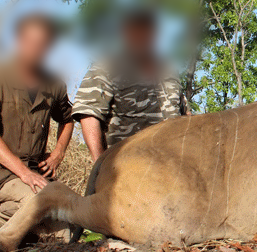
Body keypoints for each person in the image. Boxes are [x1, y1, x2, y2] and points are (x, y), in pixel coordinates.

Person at [0, 13, 74, 233]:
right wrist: (24, 173)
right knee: (41, 206)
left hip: (35, 173)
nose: (36, 49)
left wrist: (58, 153)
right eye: (31, 42)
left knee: (71, 225)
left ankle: (7, 222)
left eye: (43, 44)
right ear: (19, 40)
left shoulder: (54, 84)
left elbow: (68, 118)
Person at [73, 10, 190, 163]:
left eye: (146, 31)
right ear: (125, 34)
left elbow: (186, 117)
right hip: (127, 167)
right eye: (136, 31)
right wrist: (100, 164)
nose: (141, 37)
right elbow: (89, 115)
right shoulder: (107, 67)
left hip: (170, 164)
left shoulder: (168, 70)